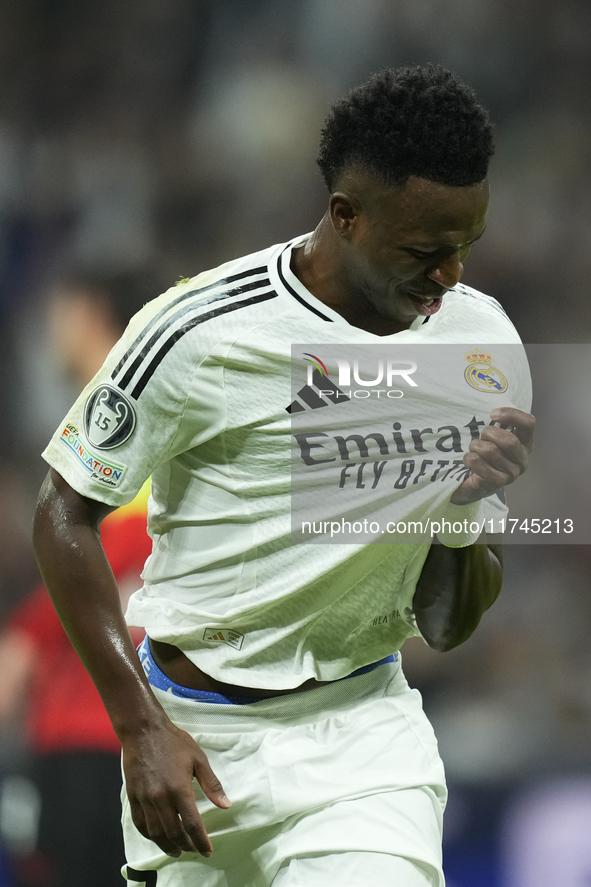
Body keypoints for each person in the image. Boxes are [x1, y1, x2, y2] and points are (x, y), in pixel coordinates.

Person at [32, 65, 534, 887]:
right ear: (347, 215)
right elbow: (63, 511)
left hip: (362, 738)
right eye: (426, 250)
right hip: (195, 740)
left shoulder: (474, 343)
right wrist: (140, 728)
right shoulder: (199, 329)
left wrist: (463, 504)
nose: (451, 275)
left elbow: (444, 624)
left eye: (465, 246)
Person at [0, 273, 154, 887]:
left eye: (58, 314)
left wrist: (26, 640)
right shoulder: (91, 420)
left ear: (90, 312)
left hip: (104, 728)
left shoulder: (122, 416)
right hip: (113, 723)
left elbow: (111, 549)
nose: (49, 335)